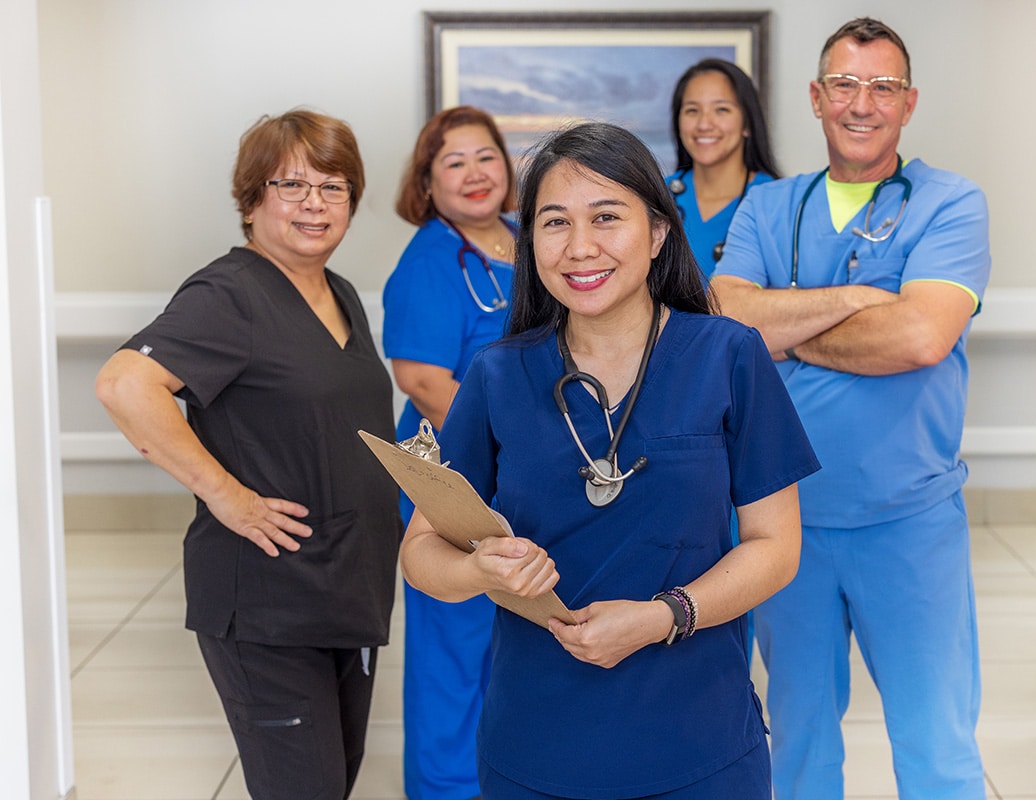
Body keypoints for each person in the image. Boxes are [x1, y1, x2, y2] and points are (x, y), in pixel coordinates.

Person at [398, 121, 819, 800]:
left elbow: (777, 547)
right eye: (554, 222)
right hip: (534, 747)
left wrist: (662, 616)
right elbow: (420, 552)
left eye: (606, 217)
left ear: (657, 233)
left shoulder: (729, 356)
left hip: (699, 744)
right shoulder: (499, 376)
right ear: (528, 242)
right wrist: (476, 567)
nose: (580, 247)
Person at [709, 17, 991, 800]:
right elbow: (728, 321)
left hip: (910, 520)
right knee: (796, 738)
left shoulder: (951, 203)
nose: (861, 103)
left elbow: (921, 336)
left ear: (908, 103)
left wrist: (788, 325)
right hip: (784, 522)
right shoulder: (770, 208)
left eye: (882, 87)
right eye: (844, 83)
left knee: (935, 742)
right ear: (815, 96)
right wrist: (853, 305)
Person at [93, 109, 401, 800]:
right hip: (270, 603)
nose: (315, 203)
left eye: (334, 186)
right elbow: (123, 384)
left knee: (333, 782)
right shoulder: (230, 293)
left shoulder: (339, 293)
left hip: (346, 589)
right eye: (292, 184)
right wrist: (226, 494)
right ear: (252, 197)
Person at [382, 105, 517, 800]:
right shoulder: (430, 259)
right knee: (454, 653)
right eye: (453, 162)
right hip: (455, 476)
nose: (474, 173)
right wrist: (515, 444)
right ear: (427, 183)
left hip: (525, 471)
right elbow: (424, 382)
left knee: (515, 646)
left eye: (485, 156)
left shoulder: (532, 240)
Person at [667, 58, 781, 278]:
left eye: (721, 109)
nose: (704, 124)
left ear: (747, 124)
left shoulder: (776, 202)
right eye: (692, 110)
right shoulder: (654, 197)